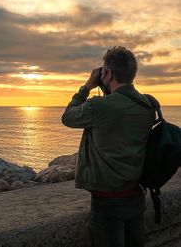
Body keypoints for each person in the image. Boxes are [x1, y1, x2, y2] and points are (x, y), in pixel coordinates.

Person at [61, 46, 155, 247]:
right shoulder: (147, 105)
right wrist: (107, 87)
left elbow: (68, 117)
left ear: (109, 73)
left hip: (107, 201)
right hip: (136, 196)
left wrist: (86, 87)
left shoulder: (99, 106)